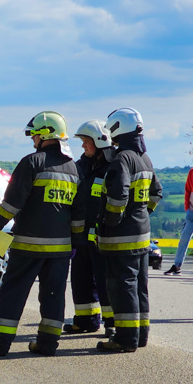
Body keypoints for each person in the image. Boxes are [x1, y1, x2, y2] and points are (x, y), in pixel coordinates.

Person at [0, 111, 84, 357]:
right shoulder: (73, 169)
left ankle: (0, 346)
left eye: (34, 135)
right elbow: (79, 214)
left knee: (13, 293)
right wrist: (75, 243)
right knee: (53, 296)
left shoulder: (31, 162)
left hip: (28, 246)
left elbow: (12, 203)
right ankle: (47, 345)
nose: (32, 140)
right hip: (60, 249)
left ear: (44, 134)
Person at [96, 108, 162, 353]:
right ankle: (140, 335)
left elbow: (118, 196)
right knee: (139, 286)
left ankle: (125, 339)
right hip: (142, 236)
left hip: (122, 238)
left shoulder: (123, 158)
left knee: (121, 286)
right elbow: (156, 193)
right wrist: (142, 214)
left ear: (117, 129)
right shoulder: (144, 158)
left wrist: (111, 222)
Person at [63, 120, 115, 336]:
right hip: (82, 235)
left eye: (86, 142)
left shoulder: (115, 166)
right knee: (80, 279)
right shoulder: (81, 165)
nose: (83, 146)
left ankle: (112, 324)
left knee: (105, 282)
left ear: (100, 142)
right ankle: (86, 320)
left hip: (103, 236)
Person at [164, 165, 193, 276]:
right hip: (191, 213)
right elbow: (187, 190)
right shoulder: (192, 172)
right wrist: (187, 208)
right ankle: (177, 266)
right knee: (184, 238)